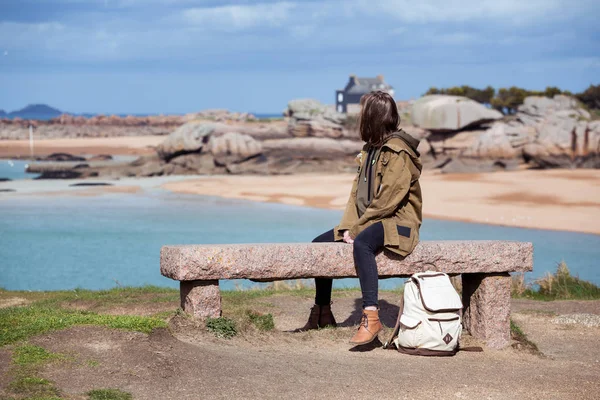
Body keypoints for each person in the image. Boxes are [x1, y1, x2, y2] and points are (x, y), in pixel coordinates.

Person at [299, 90, 423, 345]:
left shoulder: (397, 151)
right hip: (371, 219)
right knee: (318, 245)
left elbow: (389, 200)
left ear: (371, 117)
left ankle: (371, 316)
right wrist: (348, 227)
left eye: (362, 112)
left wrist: (356, 231)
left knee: (363, 243)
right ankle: (322, 311)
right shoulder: (370, 150)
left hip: (397, 223)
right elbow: (356, 196)